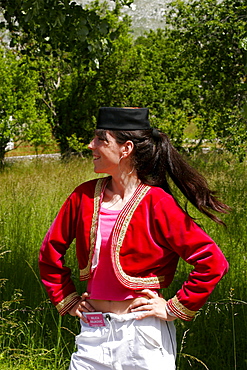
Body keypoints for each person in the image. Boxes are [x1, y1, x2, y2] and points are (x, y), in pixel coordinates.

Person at [39, 107, 229, 370]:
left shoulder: (157, 202)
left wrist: (174, 307)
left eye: (100, 139)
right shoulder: (83, 197)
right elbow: (49, 251)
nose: (91, 145)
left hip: (143, 336)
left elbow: (212, 261)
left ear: (125, 148)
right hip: (92, 334)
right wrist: (68, 299)